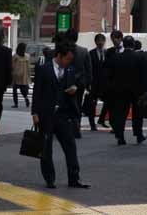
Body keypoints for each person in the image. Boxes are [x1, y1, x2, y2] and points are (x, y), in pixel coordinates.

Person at [32, 42, 89, 190]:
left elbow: (80, 80)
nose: (69, 62)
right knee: (46, 148)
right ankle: (50, 179)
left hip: (64, 114)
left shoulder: (70, 70)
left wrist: (75, 88)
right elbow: (37, 92)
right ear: (59, 56)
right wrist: (35, 113)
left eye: (71, 60)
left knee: (70, 146)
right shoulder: (44, 69)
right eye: (67, 59)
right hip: (46, 114)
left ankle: (74, 178)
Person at [111, 36, 147, 145]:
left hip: (120, 90)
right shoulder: (140, 57)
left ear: (124, 44)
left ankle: (120, 136)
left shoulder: (117, 57)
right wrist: (144, 90)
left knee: (121, 113)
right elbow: (144, 75)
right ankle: (138, 134)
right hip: (136, 90)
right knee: (137, 113)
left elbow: (112, 75)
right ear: (133, 45)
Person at [65, 30, 92, 138]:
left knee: (66, 105)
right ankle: (76, 127)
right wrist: (89, 83)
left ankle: (69, 127)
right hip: (80, 83)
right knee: (77, 105)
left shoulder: (64, 51)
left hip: (66, 83)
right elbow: (89, 69)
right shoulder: (84, 51)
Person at [101, 30, 124, 134]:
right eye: (112, 39)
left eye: (115, 38)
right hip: (111, 84)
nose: (114, 41)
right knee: (112, 106)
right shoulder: (109, 52)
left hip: (123, 84)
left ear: (120, 38)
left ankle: (119, 126)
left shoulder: (126, 51)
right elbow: (105, 67)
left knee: (121, 107)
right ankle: (114, 125)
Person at [84, 33, 108, 131]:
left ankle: (102, 119)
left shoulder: (107, 53)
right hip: (93, 82)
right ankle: (92, 124)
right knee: (91, 104)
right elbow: (88, 68)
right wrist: (88, 83)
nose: (100, 43)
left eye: (102, 41)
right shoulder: (91, 53)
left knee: (108, 102)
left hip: (105, 83)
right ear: (95, 42)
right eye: (98, 41)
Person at [12, 43, 31, 108]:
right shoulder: (27, 56)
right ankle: (26, 98)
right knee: (23, 89)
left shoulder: (15, 56)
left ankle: (16, 103)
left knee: (15, 89)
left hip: (16, 75)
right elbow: (28, 67)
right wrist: (28, 76)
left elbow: (12, 65)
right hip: (24, 76)